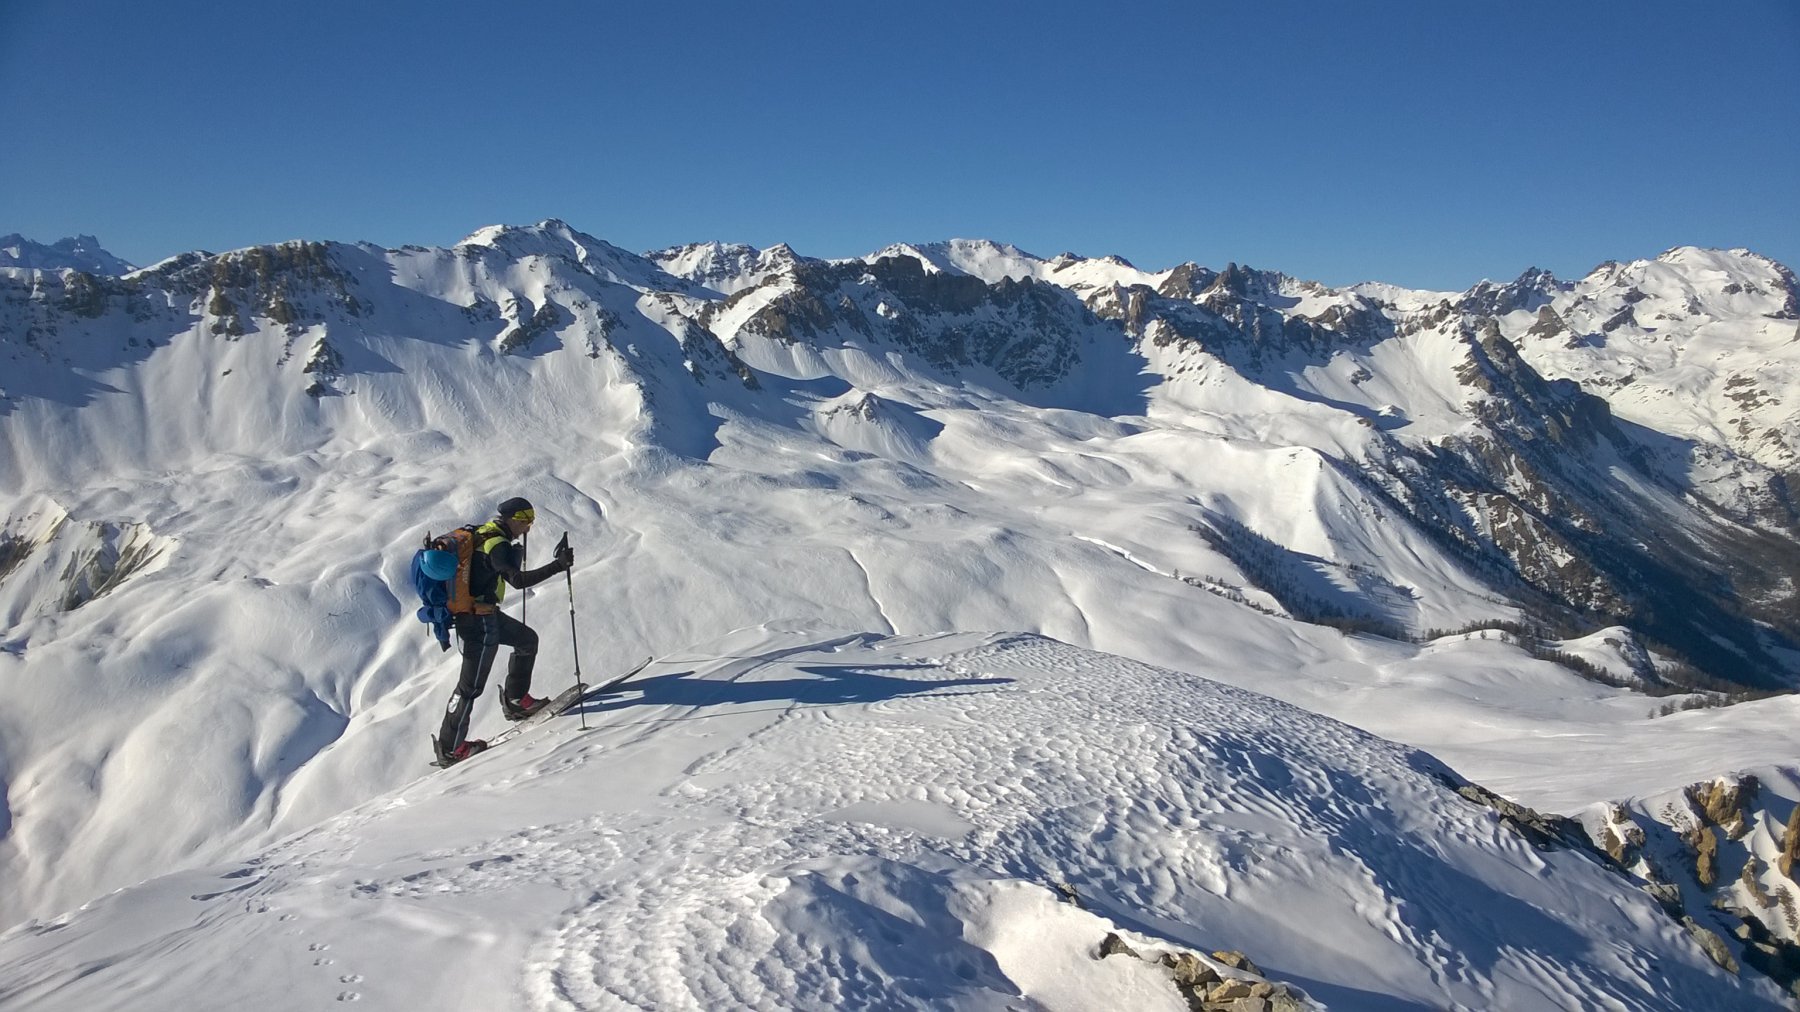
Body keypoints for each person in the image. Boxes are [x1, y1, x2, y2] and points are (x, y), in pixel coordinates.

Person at [434, 496, 574, 764]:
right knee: (470, 686)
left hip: (485, 615)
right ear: (510, 519)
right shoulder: (495, 543)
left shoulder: (484, 533)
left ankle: (517, 700)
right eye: (524, 521)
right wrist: (558, 566)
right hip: (479, 622)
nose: (528, 528)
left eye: (531, 521)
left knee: (526, 640)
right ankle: (451, 748)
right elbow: (518, 581)